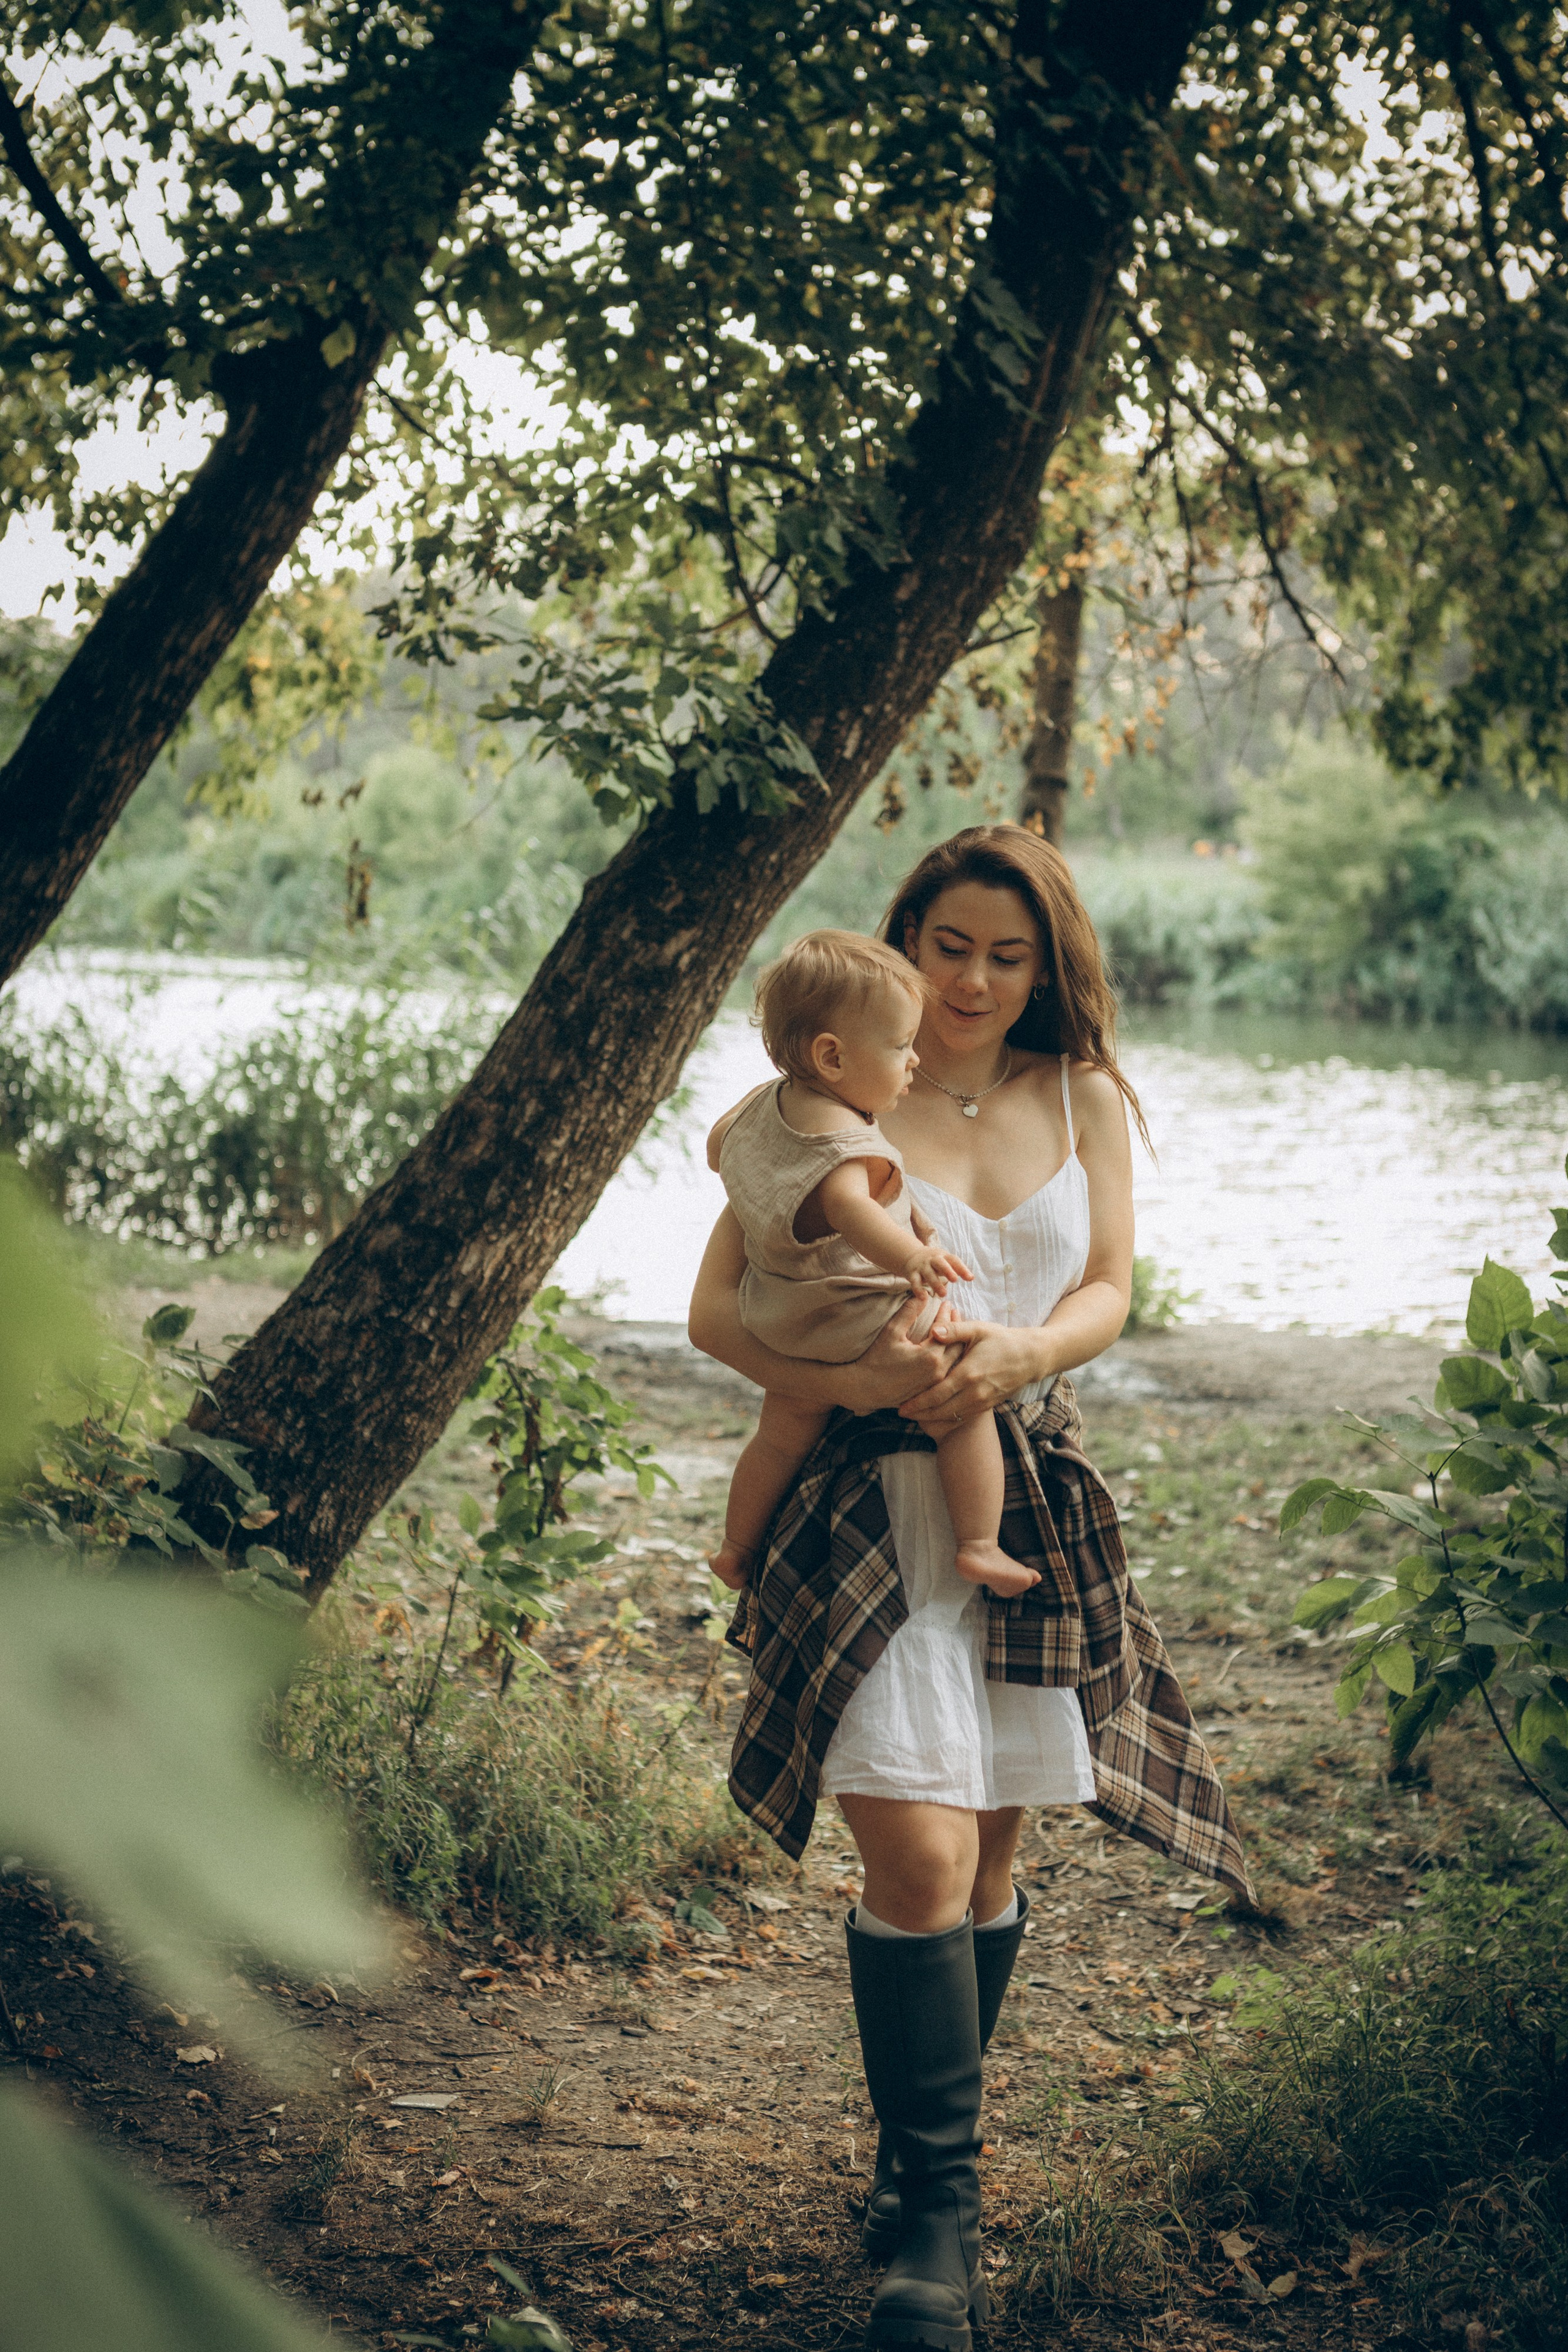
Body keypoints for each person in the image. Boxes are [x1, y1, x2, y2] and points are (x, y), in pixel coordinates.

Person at [688, 825, 1250, 2352]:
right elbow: (714, 1312)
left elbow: (1107, 1284)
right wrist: (849, 1368)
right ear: (907, 937)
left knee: (992, 1863)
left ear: (1046, 963)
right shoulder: (819, 1102)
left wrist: (1018, 1353)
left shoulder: (1081, 1099)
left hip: (1018, 1503)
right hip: (863, 1507)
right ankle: (936, 2214)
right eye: (949, 947)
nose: (975, 982)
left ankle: (907, 2160)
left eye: (1009, 955)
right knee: (920, 1867)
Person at [706, 927, 1040, 1603]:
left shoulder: (759, 1108)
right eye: (898, 1047)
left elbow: (719, 1151)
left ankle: (736, 1547)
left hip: (784, 1318)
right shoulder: (844, 1138)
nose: (914, 1060)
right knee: (962, 1411)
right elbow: (851, 1208)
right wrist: (914, 1257)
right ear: (831, 1057)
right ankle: (979, 1543)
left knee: (779, 1437)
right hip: (855, 1318)